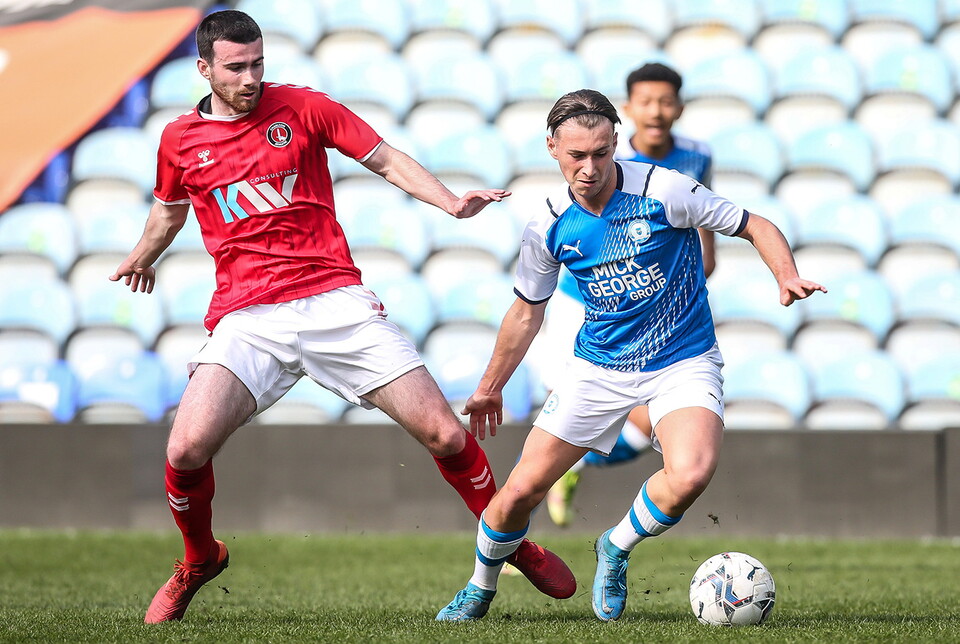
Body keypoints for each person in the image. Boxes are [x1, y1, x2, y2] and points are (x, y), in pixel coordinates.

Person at [111, 10, 574, 625]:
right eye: (236, 67)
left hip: (334, 301)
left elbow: (383, 158)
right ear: (204, 69)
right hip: (248, 316)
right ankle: (199, 558)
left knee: (441, 432)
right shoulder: (177, 140)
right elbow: (169, 213)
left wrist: (449, 201)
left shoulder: (302, 108)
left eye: (258, 64)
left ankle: (510, 541)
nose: (250, 78)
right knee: (188, 446)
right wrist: (141, 256)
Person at [435, 89, 825, 622]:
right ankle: (479, 588)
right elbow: (526, 312)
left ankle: (614, 547)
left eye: (601, 152)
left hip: (682, 361)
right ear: (552, 149)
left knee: (690, 473)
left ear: (615, 142)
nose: (590, 167)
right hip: (597, 370)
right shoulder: (547, 224)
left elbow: (753, 223)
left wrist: (785, 275)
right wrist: (489, 386)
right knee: (518, 493)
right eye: (577, 156)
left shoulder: (666, 190)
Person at [545, 62, 716, 527]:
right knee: (582, 414)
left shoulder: (696, 158)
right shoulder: (607, 162)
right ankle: (561, 470)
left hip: (651, 306)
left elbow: (704, 233)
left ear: (679, 107)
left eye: (665, 101)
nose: (655, 111)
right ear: (628, 110)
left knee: (645, 424)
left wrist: (686, 282)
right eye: (645, 101)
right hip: (583, 303)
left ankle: (580, 468)